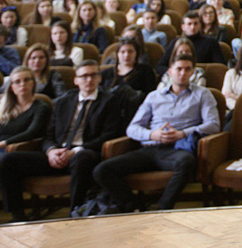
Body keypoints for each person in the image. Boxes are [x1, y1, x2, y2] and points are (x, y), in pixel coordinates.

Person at [0, 60, 124, 221]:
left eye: (93, 75)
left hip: (86, 153)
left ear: (100, 78)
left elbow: (109, 135)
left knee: (82, 158)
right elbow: (48, 135)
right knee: (6, 160)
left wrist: (76, 151)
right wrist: (51, 151)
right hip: (57, 154)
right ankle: (18, 217)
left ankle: (74, 214)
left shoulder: (109, 101)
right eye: (84, 76)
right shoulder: (64, 101)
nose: (89, 80)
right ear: (76, 80)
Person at [92, 53, 221, 211]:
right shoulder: (154, 96)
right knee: (102, 170)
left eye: (187, 69)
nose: (182, 73)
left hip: (177, 148)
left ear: (193, 73)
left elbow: (213, 125)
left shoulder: (202, 94)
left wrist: (183, 133)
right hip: (150, 148)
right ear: (169, 72)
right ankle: (135, 207)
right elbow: (132, 128)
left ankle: (163, 209)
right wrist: (152, 135)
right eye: (178, 69)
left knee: (187, 162)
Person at [0, 67, 51, 226]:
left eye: (26, 80)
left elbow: (32, 133)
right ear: (11, 86)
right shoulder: (2, 107)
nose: (22, 84)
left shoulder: (40, 107)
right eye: (17, 81)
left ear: (33, 83)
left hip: (15, 152)